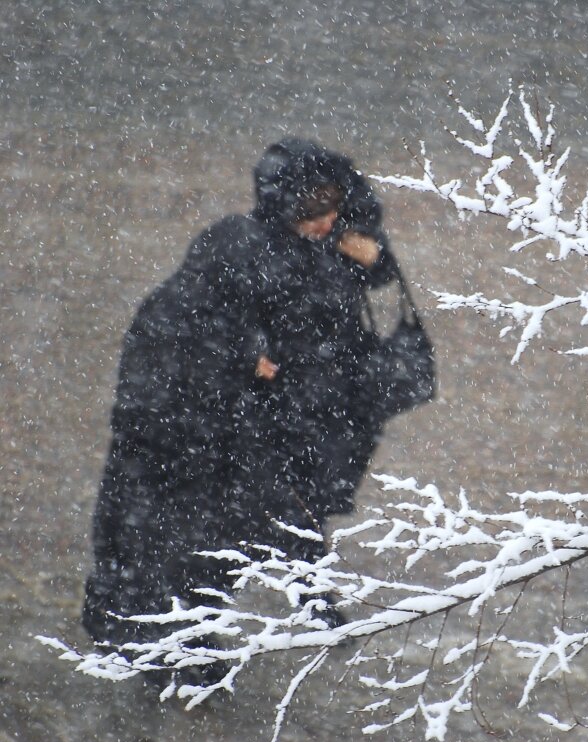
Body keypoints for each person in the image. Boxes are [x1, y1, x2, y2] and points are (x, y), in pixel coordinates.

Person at [83, 138, 401, 653]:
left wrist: (362, 253)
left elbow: (349, 293)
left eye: (334, 207)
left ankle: (223, 626)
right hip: (209, 424)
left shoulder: (322, 248)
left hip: (266, 419)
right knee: (200, 533)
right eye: (312, 209)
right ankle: (174, 640)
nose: (326, 219)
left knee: (246, 522)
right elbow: (178, 319)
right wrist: (244, 354)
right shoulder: (239, 244)